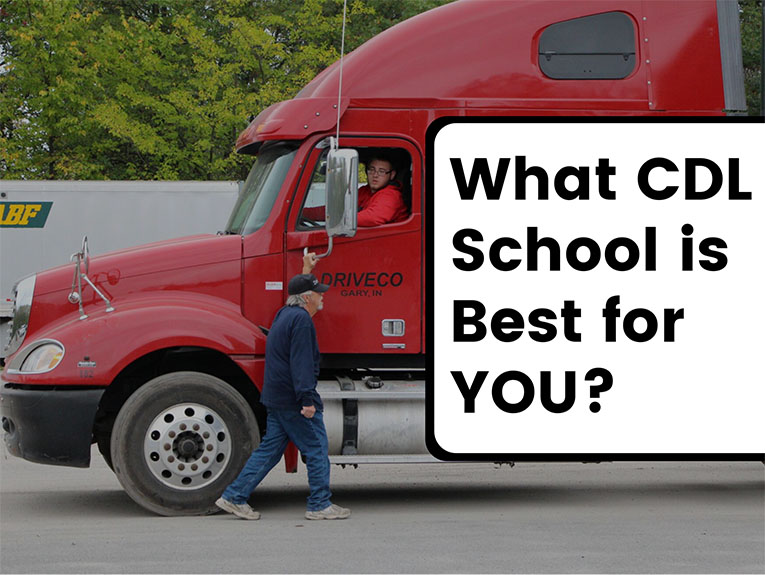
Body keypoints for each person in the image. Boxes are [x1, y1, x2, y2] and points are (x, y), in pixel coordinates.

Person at [215, 254, 350, 521]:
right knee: (315, 448)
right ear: (308, 298)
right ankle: (320, 504)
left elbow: (294, 292)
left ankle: (234, 496)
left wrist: (306, 270)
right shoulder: (301, 321)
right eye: (318, 293)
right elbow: (300, 365)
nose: (322, 297)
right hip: (293, 400)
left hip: (276, 398)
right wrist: (307, 400)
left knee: (269, 451)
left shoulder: (285, 314)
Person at [356, 154, 408, 227]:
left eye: (381, 171)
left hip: (390, 237)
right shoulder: (364, 190)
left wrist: (341, 220)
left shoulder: (392, 195)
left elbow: (371, 218)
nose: (375, 175)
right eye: (372, 169)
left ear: (392, 175)